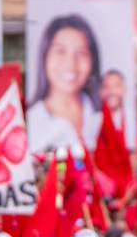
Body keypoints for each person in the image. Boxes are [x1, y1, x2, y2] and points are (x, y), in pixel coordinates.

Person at [27, 14, 104, 150]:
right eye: (60, 51)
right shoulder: (29, 124)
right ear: (44, 56)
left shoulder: (102, 116)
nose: (71, 64)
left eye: (81, 53)